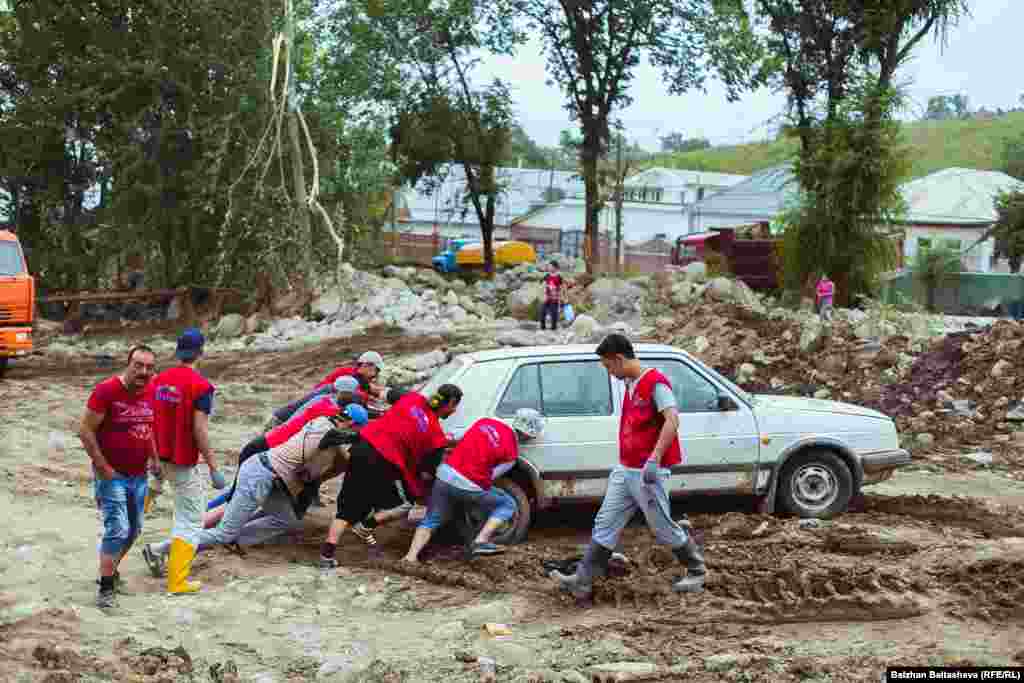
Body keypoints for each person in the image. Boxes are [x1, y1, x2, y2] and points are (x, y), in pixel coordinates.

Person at [549, 333, 706, 601]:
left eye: (609, 367)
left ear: (619, 359)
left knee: (662, 527)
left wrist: (655, 459)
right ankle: (583, 580)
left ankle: (696, 569)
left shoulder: (656, 383)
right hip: (626, 468)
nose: (609, 373)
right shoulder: (630, 383)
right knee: (606, 521)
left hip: (645, 470)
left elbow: (672, 420)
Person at [318, 384, 463, 569]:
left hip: (362, 447)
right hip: (385, 462)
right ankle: (366, 526)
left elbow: (382, 392)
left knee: (347, 508)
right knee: (407, 502)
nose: (455, 410)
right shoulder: (436, 437)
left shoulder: (412, 398)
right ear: (449, 403)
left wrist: (367, 386)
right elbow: (426, 474)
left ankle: (327, 555)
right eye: (455, 406)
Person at [193, 414, 360, 551]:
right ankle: (180, 541)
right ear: (352, 423)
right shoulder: (328, 435)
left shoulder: (323, 421)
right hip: (263, 471)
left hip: (268, 470)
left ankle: (231, 538)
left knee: (285, 519)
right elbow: (307, 475)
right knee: (225, 527)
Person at [142, 328, 227, 594]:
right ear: (201, 352)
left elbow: (147, 419)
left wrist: (151, 456)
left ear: (178, 351)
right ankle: (177, 582)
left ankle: (136, 522)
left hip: (158, 457)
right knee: (190, 520)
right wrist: (213, 467)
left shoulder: (157, 380)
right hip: (181, 461)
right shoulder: (201, 387)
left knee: (151, 494)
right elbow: (199, 430)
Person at [402, 408, 545, 563]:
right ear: (529, 435)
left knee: (431, 519)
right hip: (469, 485)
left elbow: (454, 438)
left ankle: (410, 557)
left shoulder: (484, 422)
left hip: (444, 476)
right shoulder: (512, 454)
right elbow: (490, 477)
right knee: (507, 504)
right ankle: (480, 541)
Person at [207, 376, 363, 516]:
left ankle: (210, 517)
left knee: (240, 494)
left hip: (266, 443)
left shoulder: (325, 400)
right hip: (266, 447)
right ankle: (207, 518)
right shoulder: (330, 411)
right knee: (237, 495)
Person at [79, 345, 158, 609]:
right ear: (128, 364)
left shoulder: (151, 391)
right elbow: (86, 430)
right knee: (118, 528)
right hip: (111, 473)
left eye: (149, 367)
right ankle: (105, 588)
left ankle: (110, 571)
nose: (143, 371)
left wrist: (155, 459)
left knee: (134, 530)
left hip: (139, 474)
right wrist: (103, 468)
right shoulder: (106, 391)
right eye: (138, 365)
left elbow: (147, 428)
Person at [540, 260, 567, 331]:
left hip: (555, 298)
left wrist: (563, 296)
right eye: (548, 266)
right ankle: (542, 327)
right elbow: (542, 284)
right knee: (542, 311)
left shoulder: (559, 277)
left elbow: (563, 287)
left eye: (550, 266)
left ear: (555, 268)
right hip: (547, 298)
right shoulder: (547, 276)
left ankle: (553, 329)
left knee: (554, 314)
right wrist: (543, 293)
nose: (549, 267)